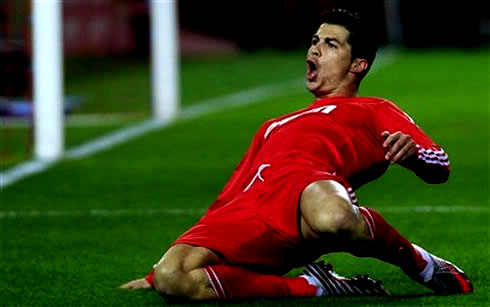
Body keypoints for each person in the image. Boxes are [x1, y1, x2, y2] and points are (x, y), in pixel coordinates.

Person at [120, 9, 473, 300]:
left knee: (333, 216)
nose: (316, 49)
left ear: (358, 65)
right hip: (250, 211)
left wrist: (413, 156)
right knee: (173, 278)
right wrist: (155, 274)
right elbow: (229, 195)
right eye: (315, 41)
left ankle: (423, 264)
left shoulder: (373, 109)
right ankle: (314, 287)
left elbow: (439, 163)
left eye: (331, 44)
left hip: (310, 195)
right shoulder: (273, 125)